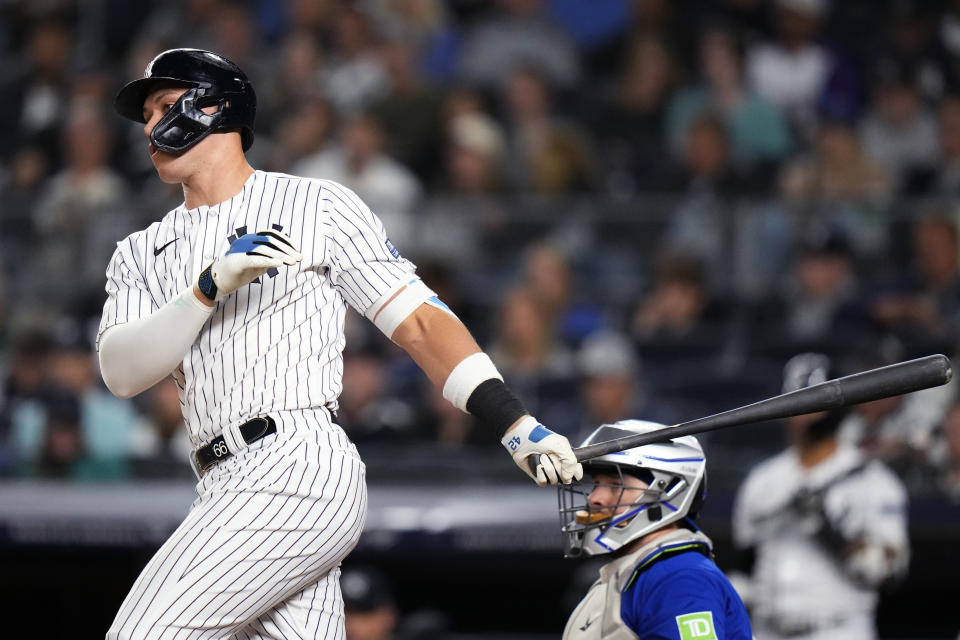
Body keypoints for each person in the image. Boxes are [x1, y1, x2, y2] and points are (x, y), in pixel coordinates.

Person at [97, 48, 582, 639]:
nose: (150, 125)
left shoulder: (315, 205)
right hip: (217, 480)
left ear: (217, 107)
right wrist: (206, 289)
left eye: (166, 106)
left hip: (294, 464)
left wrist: (514, 422)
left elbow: (419, 322)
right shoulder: (139, 251)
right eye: (145, 114)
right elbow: (122, 373)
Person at [731, 353, 910, 640]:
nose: (802, 414)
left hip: (838, 630)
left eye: (813, 403)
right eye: (795, 401)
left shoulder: (871, 480)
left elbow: (886, 574)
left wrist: (828, 531)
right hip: (767, 631)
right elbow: (744, 568)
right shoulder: (762, 481)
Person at [559, 419, 752, 639]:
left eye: (615, 485)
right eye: (597, 484)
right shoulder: (645, 570)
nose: (595, 498)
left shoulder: (680, 577)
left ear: (668, 490)